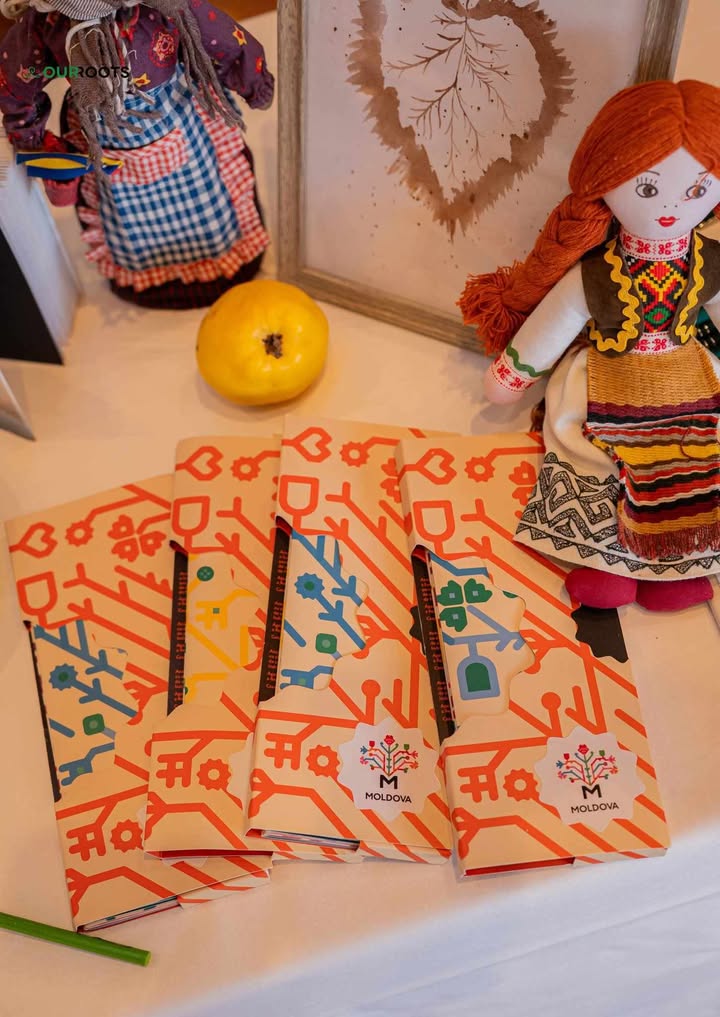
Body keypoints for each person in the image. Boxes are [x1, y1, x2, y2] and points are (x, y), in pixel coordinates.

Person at [459, 79, 720, 612]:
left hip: (686, 377)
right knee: (597, 457)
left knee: (693, 456)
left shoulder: (709, 263)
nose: (671, 207)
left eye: (696, 192)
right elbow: (555, 321)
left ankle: (677, 565)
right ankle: (606, 565)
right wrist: (515, 372)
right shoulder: (597, 272)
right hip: (607, 376)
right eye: (646, 190)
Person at [0, 0, 274, 308]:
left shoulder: (160, 5)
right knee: (124, 205)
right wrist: (34, 143)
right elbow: (14, 80)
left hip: (176, 114)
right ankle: (143, 272)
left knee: (207, 189)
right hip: (103, 128)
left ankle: (220, 257)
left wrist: (254, 80)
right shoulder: (49, 22)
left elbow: (217, 35)